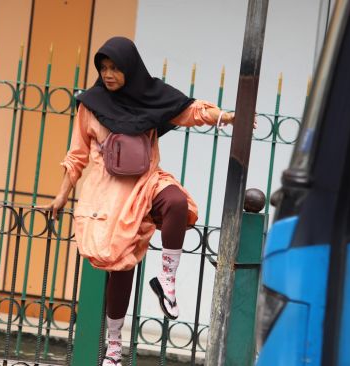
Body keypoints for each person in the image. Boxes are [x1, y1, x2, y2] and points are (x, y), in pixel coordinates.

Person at [43, 37, 235, 366]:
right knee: (121, 266)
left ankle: (167, 280)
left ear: (130, 68)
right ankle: (114, 348)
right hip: (108, 190)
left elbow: (189, 110)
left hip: (146, 180)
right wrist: (62, 195)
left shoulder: (150, 96)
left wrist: (224, 117)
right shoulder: (90, 105)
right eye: (103, 68)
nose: (108, 74)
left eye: (115, 67)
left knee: (175, 201)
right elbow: (77, 155)